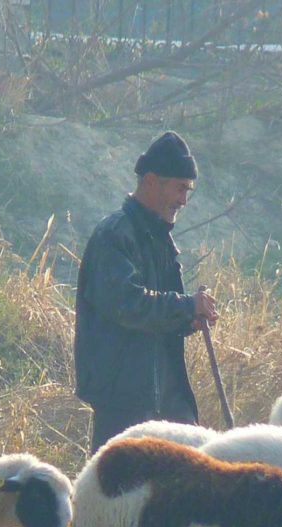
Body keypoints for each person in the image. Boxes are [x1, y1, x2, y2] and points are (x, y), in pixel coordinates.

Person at [74, 130, 218, 454]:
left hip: (166, 401)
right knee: (115, 497)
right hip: (122, 404)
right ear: (152, 181)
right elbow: (126, 304)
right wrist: (185, 307)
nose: (184, 200)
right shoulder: (113, 235)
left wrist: (190, 320)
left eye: (188, 191)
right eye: (180, 188)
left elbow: (162, 315)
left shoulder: (162, 240)